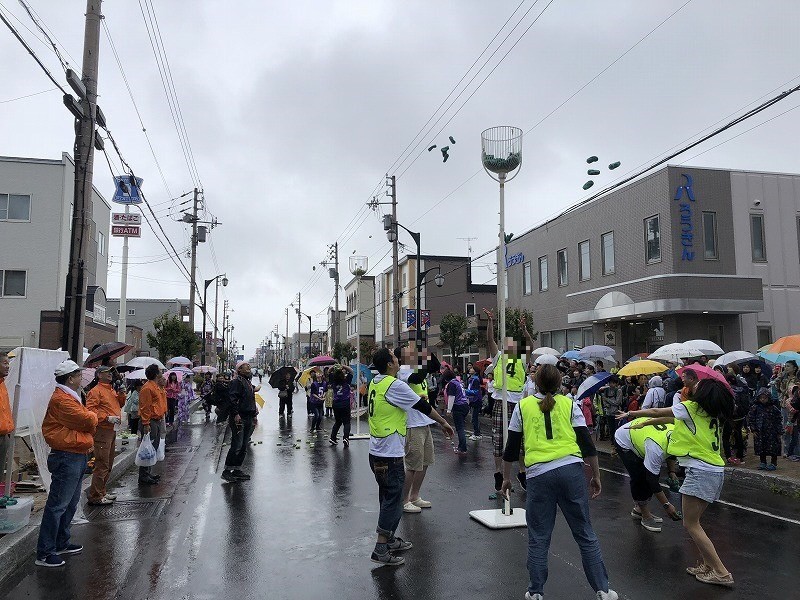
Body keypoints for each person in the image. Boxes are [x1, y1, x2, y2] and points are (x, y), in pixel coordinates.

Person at [500, 364, 617, 600]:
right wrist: (596, 474)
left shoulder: (522, 407)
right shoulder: (569, 404)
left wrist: (505, 478)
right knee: (584, 533)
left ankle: (535, 592)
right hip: (570, 470)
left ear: (535, 383)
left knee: (539, 536)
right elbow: (586, 443)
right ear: (560, 383)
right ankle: (603, 590)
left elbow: (511, 449)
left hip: (539, 475)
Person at [619, 379, 735, 587]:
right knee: (695, 523)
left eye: (698, 386)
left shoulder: (691, 408)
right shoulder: (713, 415)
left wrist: (632, 414)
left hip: (699, 470)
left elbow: (657, 412)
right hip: (714, 470)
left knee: (691, 524)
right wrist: (644, 423)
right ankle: (708, 565)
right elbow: (669, 421)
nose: (692, 387)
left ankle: (721, 572)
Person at [367, 348, 454, 566]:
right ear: (389, 364)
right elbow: (423, 406)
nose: (398, 360)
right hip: (389, 452)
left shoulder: (376, 382)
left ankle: (390, 539)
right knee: (393, 501)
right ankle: (380, 547)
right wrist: (443, 422)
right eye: (395, 358)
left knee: (387, 498)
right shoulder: (394, 384)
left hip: (377, 450)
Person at [36, 360, 98, 568]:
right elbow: (87, 421)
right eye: (79, 375)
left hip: (75, 453)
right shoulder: (63, 400)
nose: (81, 378)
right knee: (58, 505)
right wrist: (92, 416)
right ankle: (45, 552)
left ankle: (61, 542)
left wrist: (89, 417)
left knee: (70, 502)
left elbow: (83, 420)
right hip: (66, 455)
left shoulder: (68, 396)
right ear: (70, 378)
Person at [484, 308, 527, 492]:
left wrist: (524, 329)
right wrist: (491, 322)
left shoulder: (522, 359)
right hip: (501, 402)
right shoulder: (499, 357)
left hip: (517, 403)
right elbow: (490, 340)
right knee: (499, 440)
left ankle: (522, 472)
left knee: (522, 440)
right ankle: (498, 473)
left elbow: (530, 344)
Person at [614, 417, 681, 532]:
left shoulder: (677, 435)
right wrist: (667, 505)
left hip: (643, 435)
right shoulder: (656, 447)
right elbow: (652, 480)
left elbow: (672, 453)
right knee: (640, 477)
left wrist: (672, 472)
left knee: (651, 473)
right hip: (624, 440)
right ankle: (644, 513)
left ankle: (639, 509)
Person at [396, 345, 441, 514]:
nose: (412, 350)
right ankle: (404, 499)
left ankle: (415, 495)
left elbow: (435, 366)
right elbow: (418, 377)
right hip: (412, 423)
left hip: (424, 421)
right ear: (402, 357)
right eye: (408, 349)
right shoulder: (403, 371)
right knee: (413, 464)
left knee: (425, 462)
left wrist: (426, 352)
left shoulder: (415, 365)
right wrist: (423, 359)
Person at [86, 365, 126, 505]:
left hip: (111, 429)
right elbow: (90, 410)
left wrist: (121, 393)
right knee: (102, 463)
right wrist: (106, 417)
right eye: (106, 372)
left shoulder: (111, 390)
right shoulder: (95, 391)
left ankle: (101, 491)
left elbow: (119, 404)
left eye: (110, 372)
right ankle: (96, 495)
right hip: (103, 430)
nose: (110, 374)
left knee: (108, 462)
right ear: (98, 375)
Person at [222, 361, 258, 482]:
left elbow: (250, 399)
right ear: (239, 370)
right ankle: (227, 471)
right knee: (237, 444)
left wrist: (254, 413)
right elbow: (233, 399)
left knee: (243, 445)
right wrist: (235, 414)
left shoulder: (247, 382)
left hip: (248, 416)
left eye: (248, 366)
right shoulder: (236, 382)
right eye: (244, 366)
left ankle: (237, 469)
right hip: (239, 417)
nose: (248, 367)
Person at [138, 364, 166, 485]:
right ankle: (144, 475)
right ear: (155, 374)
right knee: (149, 447)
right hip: (151, 421)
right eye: (159, 371)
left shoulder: (155, 387)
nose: (161, 372)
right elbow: (145, 407)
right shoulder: (148, 388)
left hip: (157, 420)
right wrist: (146, 423)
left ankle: (147, 472)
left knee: (153, 447)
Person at [748, 387, 782, 470]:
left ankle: (773, 463)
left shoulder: (773, 408)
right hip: (760, 431)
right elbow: (751, 419)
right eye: (761, 398)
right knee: (761, 447)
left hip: (772, 431)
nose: (763, 399)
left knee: (773, 448)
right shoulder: (755, 408)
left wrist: (779, 431)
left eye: (765, 398)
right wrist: (753, 429)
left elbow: (779, 419)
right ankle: (763, 462)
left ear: (768, 398)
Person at [444, 369, 469, 454]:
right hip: (465, 405)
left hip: (458, 406)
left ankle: (462, 448)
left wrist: (449, 410)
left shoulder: (451, 384)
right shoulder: (458, 382)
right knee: (461, 427)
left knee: (460, 428)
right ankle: (462, 446)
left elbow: (451, 397)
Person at [328, 364, 354, 446]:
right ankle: (346, 438)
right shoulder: (346, 380)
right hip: (345, 402)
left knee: (338, 421)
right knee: (346, 422)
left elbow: (329, 371)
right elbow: (351, 371)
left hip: (336, 403)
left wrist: (335, 366)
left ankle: (333, 437)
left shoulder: (333, 381)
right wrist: (343, 366)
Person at [0, 352, 14, 476]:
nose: (8, 366)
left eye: (8, 363)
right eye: (4, 363)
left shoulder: (3, 385)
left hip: (4, 436)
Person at [466, 365, 483, 440]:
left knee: (474, 418)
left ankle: (477, 434)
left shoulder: (475, 379)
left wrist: (466, 391)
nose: (470, 369)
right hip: (473, 400)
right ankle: (476, 432)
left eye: (472, 368)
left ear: (475, 371)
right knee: (473, 417)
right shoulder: (471, 378)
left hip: (476, 400)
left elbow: (476, 392)